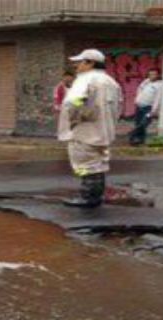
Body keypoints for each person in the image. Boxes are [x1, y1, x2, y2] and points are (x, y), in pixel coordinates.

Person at [57, 49, 122, 208]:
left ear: (90, 63)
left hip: (85, 130)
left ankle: (87, 197)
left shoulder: (85, 80)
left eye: (79, 62)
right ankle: (95, 195)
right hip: (104, 131)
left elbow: (73, 102)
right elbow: (119, 105)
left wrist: (76, 118)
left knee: (85, 165)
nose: (76, 66)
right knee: (98, 164)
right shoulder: (111, 82)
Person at [128, 68, 163, 146]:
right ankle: (139, 140)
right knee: (138, 123)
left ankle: (132, 135)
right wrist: (137, 100)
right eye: (150, 74)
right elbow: (139, 90)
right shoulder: (146, 82)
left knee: (144, 123)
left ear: (158, 75)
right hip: (139, 106)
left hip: (148, 108)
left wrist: (154, 110)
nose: (152, 76)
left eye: (154, 74)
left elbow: (158, 98)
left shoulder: (160, 85)